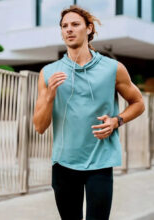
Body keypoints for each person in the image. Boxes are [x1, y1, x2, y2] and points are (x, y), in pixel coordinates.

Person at [32, 5, 145, 220]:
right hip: (64, 164)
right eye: (64, 26)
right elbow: (39, 126)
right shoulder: (49, 72)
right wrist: (49, 96)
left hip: (100, 163)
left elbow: (139, 102)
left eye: (75, 24)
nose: (69, 30)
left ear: (89, 28)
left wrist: (116, 121)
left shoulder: (113, 68)